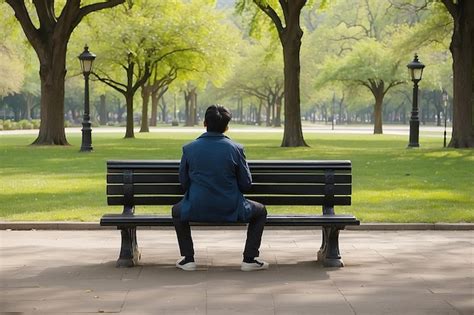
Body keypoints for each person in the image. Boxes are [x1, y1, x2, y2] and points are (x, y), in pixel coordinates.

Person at [172, 105, 268, 272]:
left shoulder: (189, 149)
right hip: (231, 207)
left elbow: (184, 183)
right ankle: (249, 259)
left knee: (176, 211)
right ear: (226, 127)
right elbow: (246, 184)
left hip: (196, 206)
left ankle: (188, 259)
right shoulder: (236, 149)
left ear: (204, 123)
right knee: (260, 211)